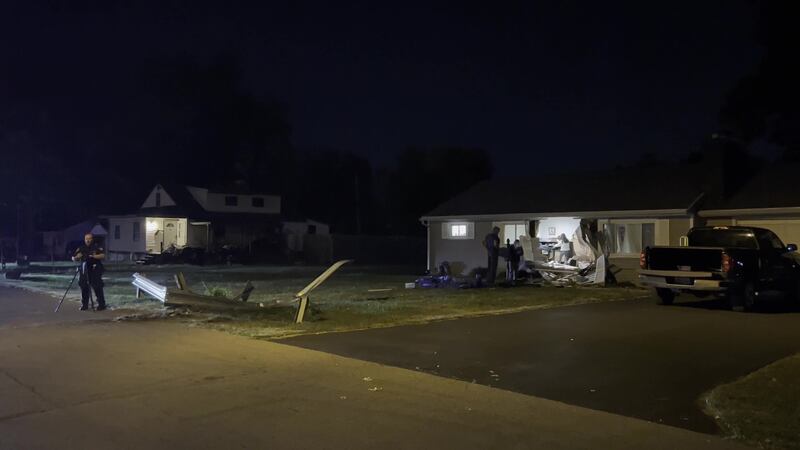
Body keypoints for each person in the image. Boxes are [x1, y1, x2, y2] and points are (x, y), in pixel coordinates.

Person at [72, 233, 107, 311]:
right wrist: (76, 257)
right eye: (86, 239)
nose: (88, 240)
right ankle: (85, 305)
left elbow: (103, 255)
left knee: (97, 286)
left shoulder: (96, 247)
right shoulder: (81, 248)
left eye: (89, 238)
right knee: (84, 286)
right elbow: (73, 257)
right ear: (84, 240)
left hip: (95, 269)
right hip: (84, 269)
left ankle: (101, 305)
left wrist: (94, 256)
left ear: (92, 239)